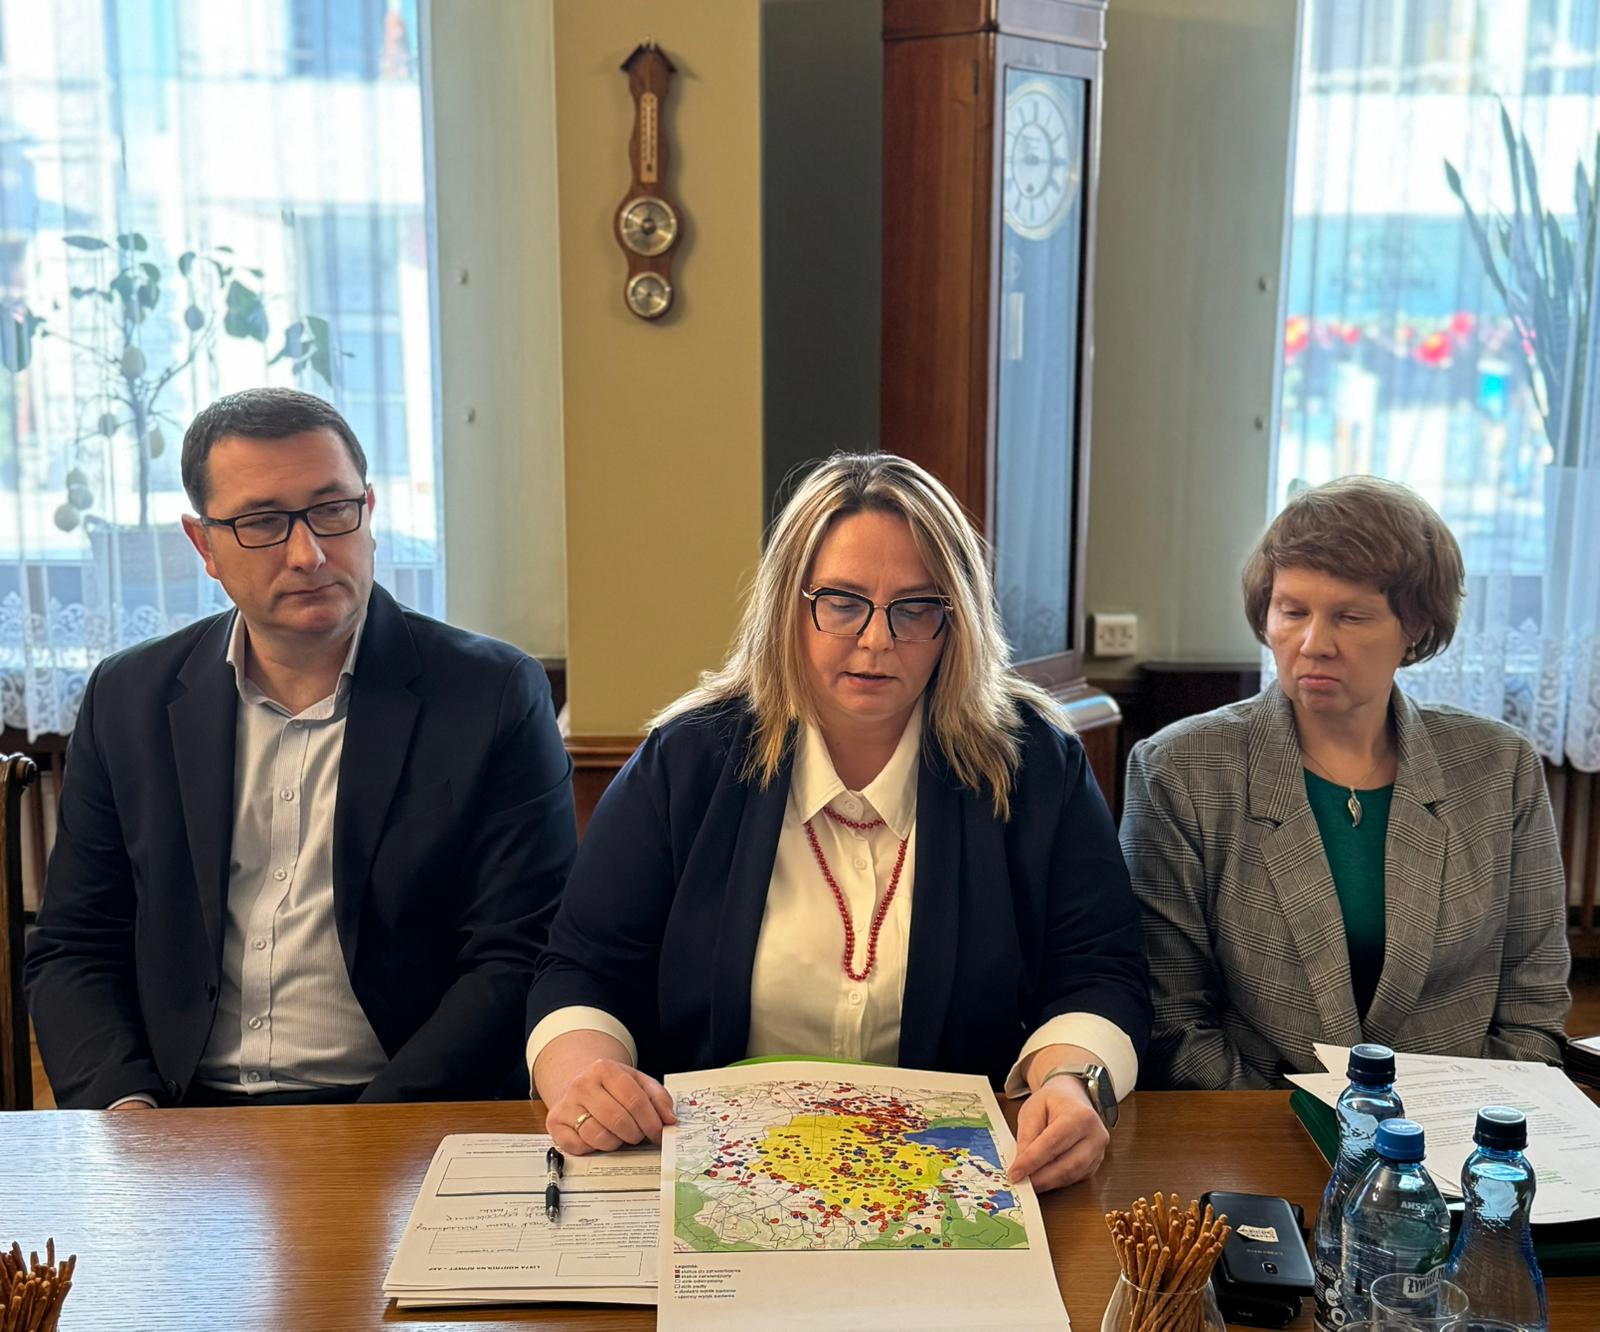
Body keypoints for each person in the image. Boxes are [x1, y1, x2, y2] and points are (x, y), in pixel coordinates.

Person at [525, 452, 1150, 1191]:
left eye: (915, 607)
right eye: (843, 602)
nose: (877, 639)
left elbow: (1098, 972)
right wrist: (584, 1074)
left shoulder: (1034, 765)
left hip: (952, 1179)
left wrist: (1073, 1081)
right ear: (789, 606)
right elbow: (582, 969)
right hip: (720, 1179)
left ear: (955, 624)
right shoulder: (688, 759)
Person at [26, 387, 576, 1107]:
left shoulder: (491, 694)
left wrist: (367, 1136)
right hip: (176, 1112)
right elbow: (76, 946)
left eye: (332, 510)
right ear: (204, 545)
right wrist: (130, 1115)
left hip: (405, 1108)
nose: (308, 553)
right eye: (262, 522)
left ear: (368, 511)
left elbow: (518, 952)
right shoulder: (128, 699)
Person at [1122, 475, 1571, 1089]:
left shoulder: (1499, 767)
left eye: (1350, 617)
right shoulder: (1180, 768)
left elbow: (1533, 1004)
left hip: (1459, 1123)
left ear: (1414, 626)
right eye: (1292, 611)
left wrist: (1467, 1125)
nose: (1314, 644)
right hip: (1257, 1120)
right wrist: (1298, 1127)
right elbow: (1172, 1019)